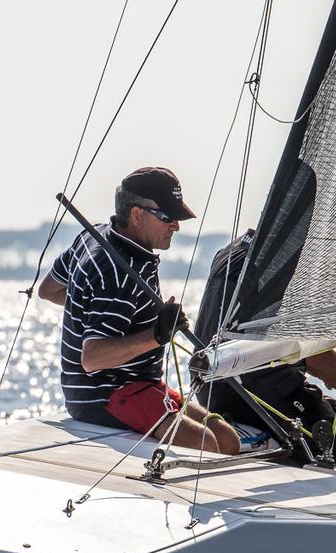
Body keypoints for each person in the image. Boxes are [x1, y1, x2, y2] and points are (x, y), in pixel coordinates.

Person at [37, 166, 239, 455]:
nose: (176, 226)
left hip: (141, 385)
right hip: (105, 394)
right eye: (168, 217)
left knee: (227, 440)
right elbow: (92, 359)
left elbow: (50, 290)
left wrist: (88, 307)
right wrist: (156, 335)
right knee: (206, 444)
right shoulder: (117, 275)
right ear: (136, 215)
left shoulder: (94, 235)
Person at [192, 230, 336, 475]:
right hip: (256, 390)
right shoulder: (284, 265)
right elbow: (315, 357)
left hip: (213, 388)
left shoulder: (233, 250)